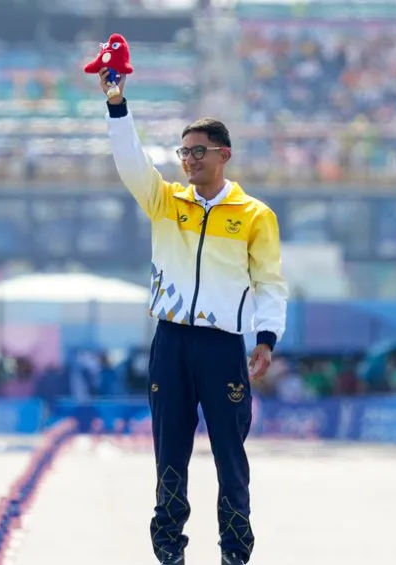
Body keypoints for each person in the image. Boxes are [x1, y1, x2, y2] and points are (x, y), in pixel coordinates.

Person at [98, 68, 288, 565]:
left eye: (198, 151)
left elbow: (269, 281)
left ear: (224, 155)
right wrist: (117, 104)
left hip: (223, 346)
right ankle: (168, 550)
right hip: (170, 342)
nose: (189, 160)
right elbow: (130, 162)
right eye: (183, 152)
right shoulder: (165, 200)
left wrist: (266, 338)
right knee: (170, 452)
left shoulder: (254, 215)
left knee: (230, 454)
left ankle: (235, 552)